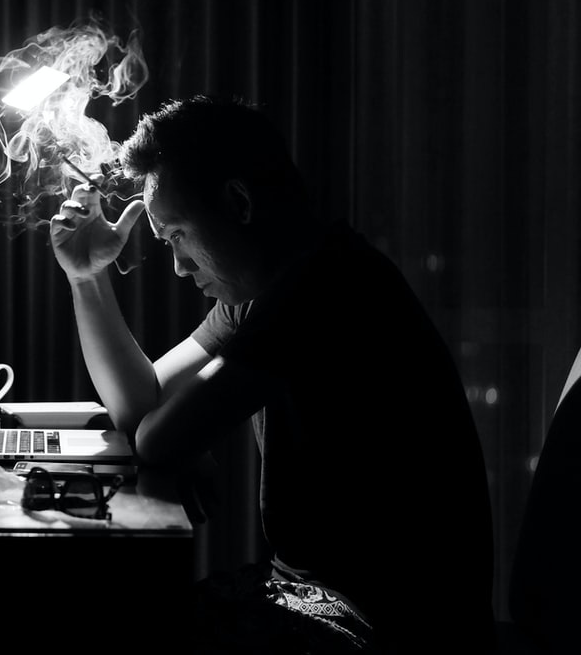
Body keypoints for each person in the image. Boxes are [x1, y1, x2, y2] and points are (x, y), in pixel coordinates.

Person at [49, 96, 495, 654]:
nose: (179, 265)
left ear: (238, 202)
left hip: (387, 625)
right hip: (321, 596)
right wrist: (87, 279)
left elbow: (157, 436)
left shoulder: (323, 288)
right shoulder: (271, 286)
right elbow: (144, 404)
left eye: (179, 236)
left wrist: (181, 439)